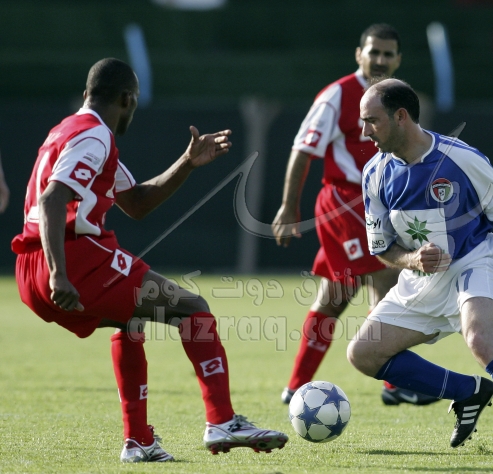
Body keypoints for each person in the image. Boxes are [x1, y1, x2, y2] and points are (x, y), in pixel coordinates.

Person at [12, 58, 288, 463]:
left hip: (30, 267)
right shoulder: (95, 136)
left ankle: (139, 441)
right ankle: (223, 421)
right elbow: (53, 198)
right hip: (72, 258)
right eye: (135, 103)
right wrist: (60, 274)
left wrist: (187, 163)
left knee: (131, 321)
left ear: (88, 94)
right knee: (193, 308)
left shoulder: (70, 130)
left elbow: (137, 202)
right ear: (127, 99)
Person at [347, 78, 493, 459]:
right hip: (422, 278)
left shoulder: (461, 158)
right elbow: (382, 247)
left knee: (480, 340)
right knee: (363, 354)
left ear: (400, 117)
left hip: (476, 260)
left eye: (371, 120)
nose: (365, 130)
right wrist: (412, 260)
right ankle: (467, 392)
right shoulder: (375, 174)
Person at [272, 23, 438, 407]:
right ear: (359, 54)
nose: (380, 59)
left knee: (336, 295)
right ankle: (395, 383)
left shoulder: (399, 98)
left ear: (398, 59)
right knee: (389, 277)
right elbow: (303, 149)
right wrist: (288, 205)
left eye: (387, 53)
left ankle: (296, 386)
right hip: (345, 203)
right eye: (373, 52)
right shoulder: (338, 94)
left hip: (378, 204)